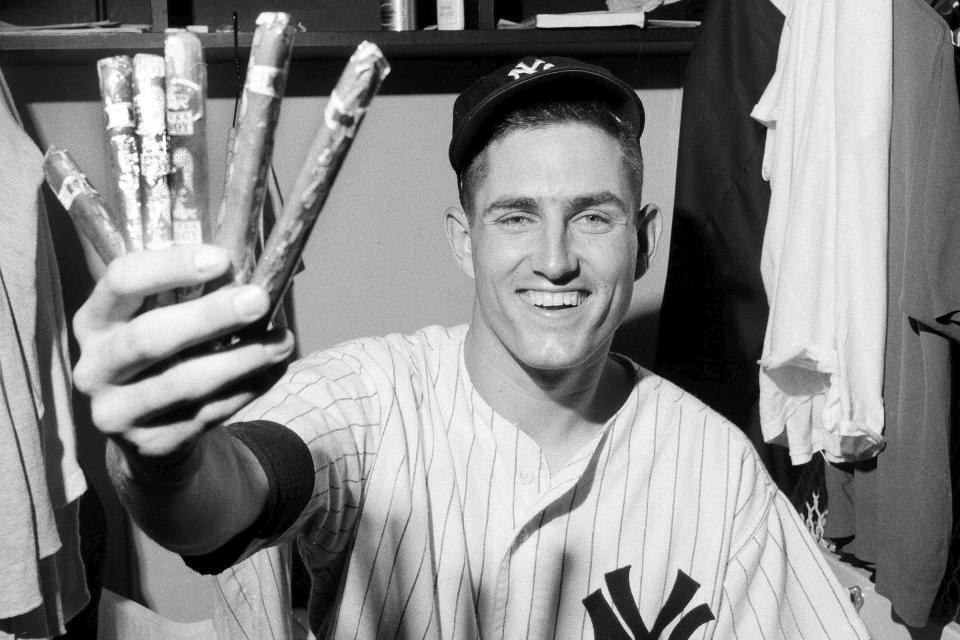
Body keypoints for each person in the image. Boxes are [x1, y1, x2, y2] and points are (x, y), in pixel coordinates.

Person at [72, 56, 870, 639]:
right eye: (516, 215)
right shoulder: (371, 395)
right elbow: (229, 493)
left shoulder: (716, 469)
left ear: (644, 241)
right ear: (464, 240)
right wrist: (164, 461)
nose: (555, 258)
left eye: (593, 215)